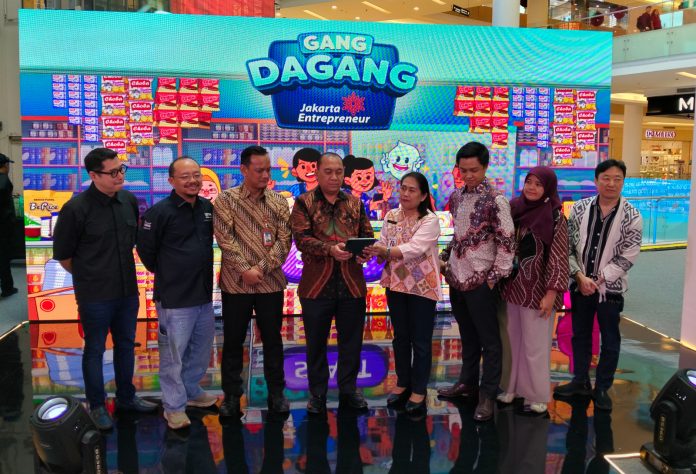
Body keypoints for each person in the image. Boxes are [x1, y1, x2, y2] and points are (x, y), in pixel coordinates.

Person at [52, 147, 157, 430]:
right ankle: (97, 405)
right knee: (95, 349)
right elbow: (64, 256)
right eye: (112, 173)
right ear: (94, 175)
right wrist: (90, 275)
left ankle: (126, 398)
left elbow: (133, 241)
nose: (119, 176)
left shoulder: (129, 201)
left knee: (126, 345)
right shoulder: (76, 209)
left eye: (121, 169)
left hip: (127, 291)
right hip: (95, 295)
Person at [290, 152, 374, 414]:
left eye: (339, 172)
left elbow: (367, 234)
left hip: (351, 284)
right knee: (316, 343)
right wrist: (330, 250)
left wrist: (364, 252)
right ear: (317, 173)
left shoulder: (355, 203)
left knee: (352, 342)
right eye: (328, 171)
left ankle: (349, 390)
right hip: (316, 286)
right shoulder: (304, 202)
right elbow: (301, 239)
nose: (334, 177)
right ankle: (317, 394)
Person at [554, 159, 642, 411]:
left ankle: (602, 387)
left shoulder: (632, 216)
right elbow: (568, 247)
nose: (611, 183)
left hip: (609, 290)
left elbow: (628, 256)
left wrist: (598, 279)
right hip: (580, 285)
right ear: (596, 180)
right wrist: (579, 276)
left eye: (617, 179)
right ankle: (580, 381)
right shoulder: (580, 209)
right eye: (606, 178)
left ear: (623, 182)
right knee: (580, 335)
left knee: (610, 339)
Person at [437, 142, 515, 422]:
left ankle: (488, 395)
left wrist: (492, 280)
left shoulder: (496, 200)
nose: (468, 175)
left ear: (485, 167)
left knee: (489, 341)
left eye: (474, 170)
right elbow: (459, 236)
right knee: (468, 337)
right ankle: (467, 384)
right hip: (457, 278)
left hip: (482, 282)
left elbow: (507, 243)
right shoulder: (456, 197)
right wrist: (444, 259)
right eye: (463, 170)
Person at [136, 157, 217, 430]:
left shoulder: (206, 207)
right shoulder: (159, 212)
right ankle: (174, 407)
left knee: (200, 350)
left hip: (203, 295)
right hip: (175, 297)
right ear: (171, 180)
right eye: (185, 176)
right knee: (173, 357)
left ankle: (191, 390)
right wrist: (169, 271)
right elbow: (146, 250)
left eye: (196, 175)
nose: (193, 181)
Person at [213, 145, 292, 418]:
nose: (265, 175)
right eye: (259, 170)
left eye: (268, 170)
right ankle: (231, 396)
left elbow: (284, 241)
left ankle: (277, 393)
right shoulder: (226, 200)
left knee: (273, 340)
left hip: (270, 284)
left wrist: (261, 268)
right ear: (244, 170)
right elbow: (225, 239)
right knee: (233, 341)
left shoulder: (278, 202)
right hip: (236, 284)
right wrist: (245, 270)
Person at [365, 172, 441, 414]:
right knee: (400, 337)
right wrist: (373, 251)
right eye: (403, 188)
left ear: (423, 195)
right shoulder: (391, 215)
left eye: (411, 190)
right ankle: (402, 382)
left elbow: (415, 248)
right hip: (395, 284)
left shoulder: (430, 220)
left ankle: (418, 389)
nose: (405, 194)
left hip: (422, 287)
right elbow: (384, 241)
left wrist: (385, 252)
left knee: (420, 340)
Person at [498, 167, 569, 414]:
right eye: (529, 182)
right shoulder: (514, 209)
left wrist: (551, 294)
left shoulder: (556, 217)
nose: (532, 188)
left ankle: (536, 394)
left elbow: (559, 257)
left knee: (535, 345)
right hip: (511, 288)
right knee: (510, 342)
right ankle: (511, 387)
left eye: (539, 184)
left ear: (548, 188)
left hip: (538, 291)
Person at [0, 153, 18, 298]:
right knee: (3, 258)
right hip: (3, 227)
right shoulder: (3, 180)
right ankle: (7, 288)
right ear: (5, 165)